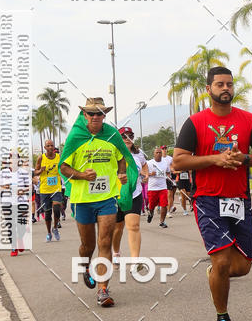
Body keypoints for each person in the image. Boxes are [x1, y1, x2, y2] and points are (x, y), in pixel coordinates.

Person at [172, 66, 252, 321]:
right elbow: (178, 161)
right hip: (207, 199)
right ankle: (223, 317)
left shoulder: (248, 120)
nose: (225, 88)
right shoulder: (195, 122)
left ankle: (215, 272)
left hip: (239, 198)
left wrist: (244, 159)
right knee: (223, 260)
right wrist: (214, 159)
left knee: (242, 266)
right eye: (219, 84)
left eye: (229, 84)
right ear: (209, 89)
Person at [59, 98, 137, 308]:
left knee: (105, 242)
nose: (95, 117)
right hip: (82, 200)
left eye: (99, 113)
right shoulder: (76, 136)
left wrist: (122, 173)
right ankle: (85, 266)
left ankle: (103, 289)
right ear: (84, 115)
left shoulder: (112, 135)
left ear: (104, 115)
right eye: (91, 113)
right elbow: (63, 167)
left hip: (106, 199)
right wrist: (82, 175)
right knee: (88, 245)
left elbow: (123, 157)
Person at [112, 127, 148, 262]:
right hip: (117, 195)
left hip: (134, 194)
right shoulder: (113, 153)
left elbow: (144, 165)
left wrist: (145, 175)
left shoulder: (138, 154)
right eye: (124, 136)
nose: (127, 139)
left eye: (130, 136)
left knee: (133, 226)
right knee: (117, 228)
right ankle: (116, 252)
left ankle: (135, 261)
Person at [34, 140, 63, 242]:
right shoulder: (41, 158)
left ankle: (55, 228)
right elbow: (35, 173)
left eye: (52, 145)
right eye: (48, 146)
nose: (50, 147)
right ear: (45, 147)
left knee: (56, 209)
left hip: (56, 188)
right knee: (47, 213)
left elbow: (64, 168)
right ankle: (49, 233)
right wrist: (40, 170)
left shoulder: (59, 157)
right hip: (45, 189)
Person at [146, 147, 170, 227]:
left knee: (164, 205)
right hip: (152, 188)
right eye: (157, 152)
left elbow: (168, 172)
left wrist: (168, 177)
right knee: (151, 206)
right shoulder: (149, 163)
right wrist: (150, 174)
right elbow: (144, 173)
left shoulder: (165, 162)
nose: (159, 154)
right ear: (154, 154)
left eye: (160, 152)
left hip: (163, 187)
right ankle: (150, 213)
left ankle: (162, 222)